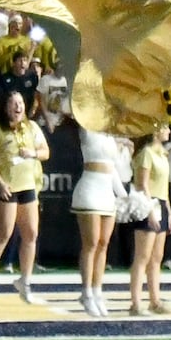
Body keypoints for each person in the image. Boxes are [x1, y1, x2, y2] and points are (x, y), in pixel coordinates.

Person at [0, 90, 48, 299]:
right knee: (4, 233)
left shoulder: (31, 127)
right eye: (13, 103)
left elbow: (45, 152)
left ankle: (25, 281)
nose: (18, 107)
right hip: (5, 186)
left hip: (28, 186)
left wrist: (32, 153)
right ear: (5, 108)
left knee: (31, 233)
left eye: (20, 103)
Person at [69, 117, 128, 317]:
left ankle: (97, 291)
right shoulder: (87, 128)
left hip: (107, 191)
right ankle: (85, 292)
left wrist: (126, 197)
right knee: (91, 243)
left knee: (103, 244)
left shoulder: (111, 137)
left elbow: (113, 171)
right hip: (89, 189)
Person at [126, 120, 171, 315]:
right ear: (155, 131)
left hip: (161, 202)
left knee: (157, 257)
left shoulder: (163, 154)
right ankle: (136, 303)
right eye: (165, 127)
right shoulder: (146, 153)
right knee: (142, 256)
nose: (168, 131)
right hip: (149, 203)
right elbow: (142, 184)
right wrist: (150, 210)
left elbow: (163, 187)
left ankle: (155, 300)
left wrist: (169, 212)